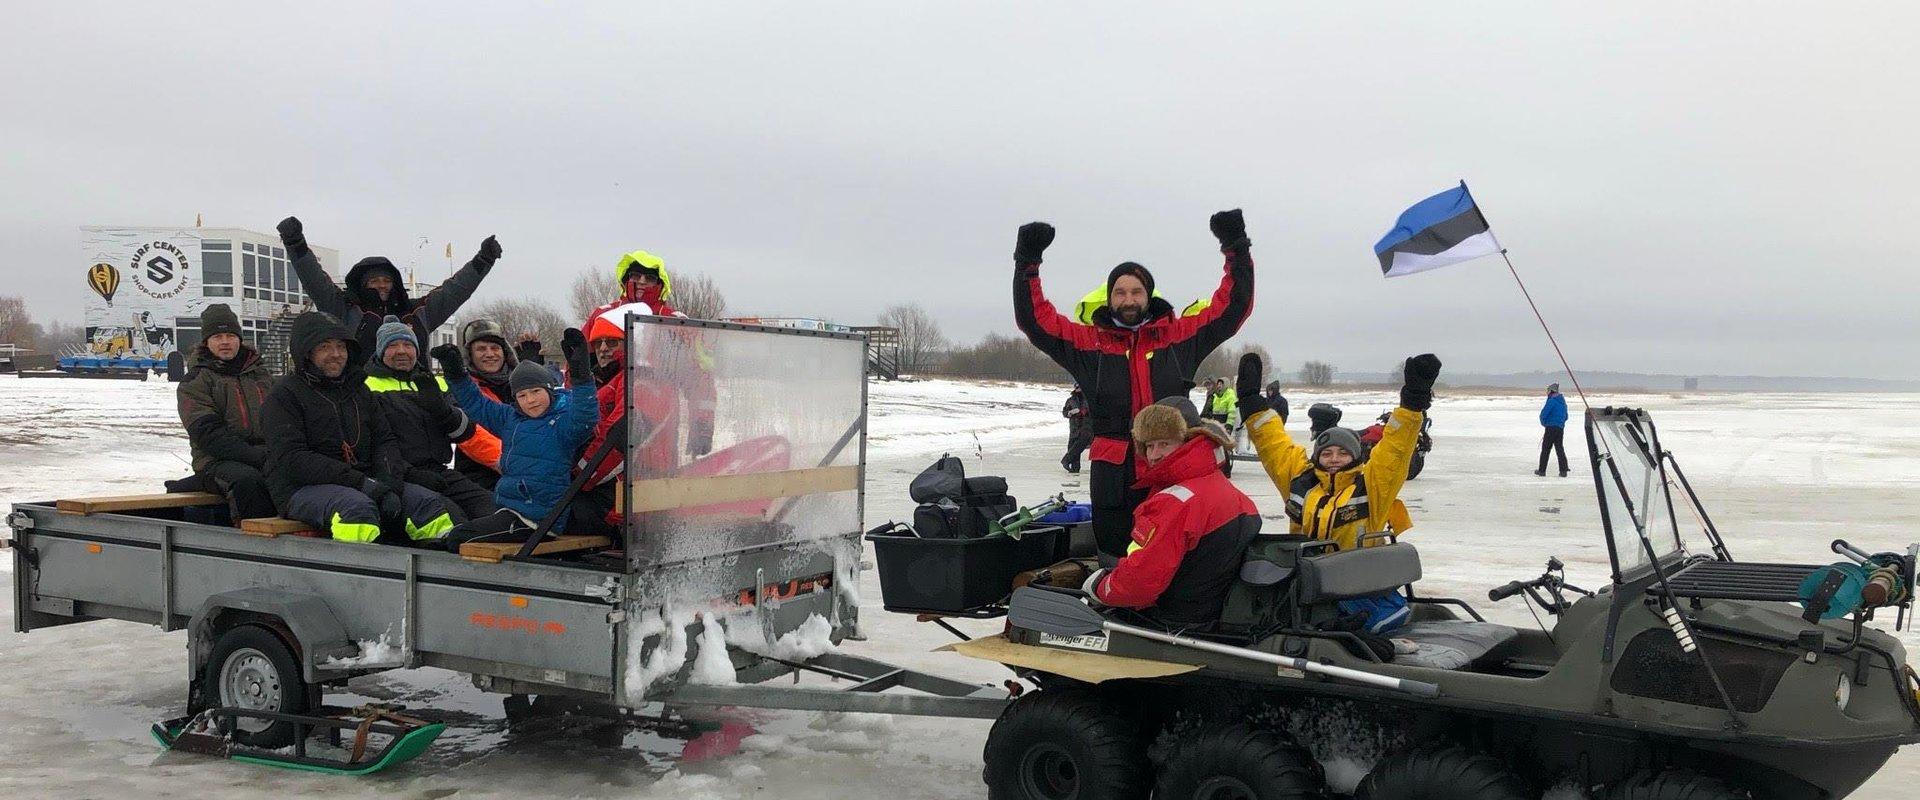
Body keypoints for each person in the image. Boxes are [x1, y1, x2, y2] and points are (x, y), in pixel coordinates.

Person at [1012, 210, 1255, 557]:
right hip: (1114, 477)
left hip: (1172, 466)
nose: (1128, 300)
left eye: (1136, 292)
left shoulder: (1177, 338)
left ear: (1148, 295)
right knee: (1115, 557)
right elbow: (1035, 321)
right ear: (1110, 298)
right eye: (1120, 292)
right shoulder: (1088, 344)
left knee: (1173, 554)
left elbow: (1232, 309)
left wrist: (1236, 247)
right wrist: (1027, 263)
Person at [262, 312, 459, 544]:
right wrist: (364, 485)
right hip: (302, 488)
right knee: (357, 511)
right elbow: (292, 459)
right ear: (306, 352)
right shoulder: (285, 395)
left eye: (341, 347)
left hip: (366, 481)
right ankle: (359, 576)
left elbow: (384, 441)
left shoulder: (358, 390)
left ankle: (433, 572)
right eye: (325, 347)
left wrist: (389, 485)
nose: (335, 354)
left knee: (426, 504)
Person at [1078, 399, 1259, 627]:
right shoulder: (1222, 487)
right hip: (1214, 613)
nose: (1154, 455)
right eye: (1149, 445)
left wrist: (1100, 586)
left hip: (1175, 622)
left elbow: (1138, 586)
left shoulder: (1175, 502)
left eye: (1164, 443)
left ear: (1190, 439)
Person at [1237, 352, 1440, 552]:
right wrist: (1252, 405)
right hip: (1308, 577)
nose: (1334, 459)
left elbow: (1395, 451)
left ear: (1355, 457)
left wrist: (1412, 404)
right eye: (1326, 453)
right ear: (1317, 457)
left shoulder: (1371, 487)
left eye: (1343, 453)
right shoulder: (1301, 480)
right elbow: (1275, 448)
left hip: (1357, 580)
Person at [432, 328, 599, 546]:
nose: (530, 400)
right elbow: (477, 403)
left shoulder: (562, 423)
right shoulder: (511, 419)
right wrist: (455, 373)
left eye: (536, 392)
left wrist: (581, 375)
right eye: (522, 395)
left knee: (460, 538)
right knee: (460, 528)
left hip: (537, 520)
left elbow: (585, 415)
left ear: (550, 391)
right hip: (511, 509)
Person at [278, 216, 500, 356]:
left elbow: (456, 290)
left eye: (386, 281)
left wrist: (483, 260)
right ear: (362, 285)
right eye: (374, 282)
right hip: (365, 405)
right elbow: (315, 280)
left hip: (414, 403)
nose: (381, 286)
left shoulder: (416, 313)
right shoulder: (344, 310)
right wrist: (295, 243)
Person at [583, 250, 717, 456]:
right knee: (598, 472)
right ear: (625, 279)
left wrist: (702, 426)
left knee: (656, 474)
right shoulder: (603, 314)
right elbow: (577, 369)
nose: (642, 282)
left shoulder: (674, 322)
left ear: (661, 283)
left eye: (650, 277)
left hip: (660, 421)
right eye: (635, 276)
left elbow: (700, 377)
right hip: (602, 416)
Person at [571, 304, 692, 534]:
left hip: (629, 501)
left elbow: (618, 443)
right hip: (615, 492)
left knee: (558, 515)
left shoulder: (645, 382)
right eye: (598, 343)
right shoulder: (613, 380)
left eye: (612, 342)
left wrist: (578, 476)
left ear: (632, 343)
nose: (603, 349)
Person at [362, 317, 495, 521]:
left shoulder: (434, 383)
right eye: (393, 345)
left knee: (493, 508)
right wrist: (410, 473)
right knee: (452, 517)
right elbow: (372, 446)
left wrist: (442, 411)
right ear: (380, 351)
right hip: (396, 476)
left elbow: (464, 431)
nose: (401, 351)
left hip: (438, 471)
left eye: (407, 345)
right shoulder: (366, 387)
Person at [175, 303, 276, 521]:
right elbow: (208, 434)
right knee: (249, 482)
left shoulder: (261, 375)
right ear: (206, 342)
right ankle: (255, 544)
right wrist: (257, 457)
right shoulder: (195, 381)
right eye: (217, 336)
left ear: (239, 339)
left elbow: (282, 419)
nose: (225, 342)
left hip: (266, 455)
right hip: (216, 462)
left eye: (230, 335)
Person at [1536, 382, 1570, 477]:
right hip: (1560, 428)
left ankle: (1542, 471)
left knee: (1546, 449)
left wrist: (1545, 423)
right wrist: (1560, 423)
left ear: (1551, 391)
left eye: (1547, 391)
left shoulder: (1551, 401)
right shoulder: (1563, 402)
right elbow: (1566, 416)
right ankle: (1563, 471)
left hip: (1551, 428)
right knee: (1559, 448)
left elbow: (1543, 414)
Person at [1060, 386, 1091, 473]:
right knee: (1072, 446)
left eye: (1079, 387)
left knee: (1079, 445)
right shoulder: (1070, 400)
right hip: (1074, 426)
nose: (1078, 388)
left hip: (1086, 426)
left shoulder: (1088, 398)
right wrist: (1069, 413)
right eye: (1076, 387)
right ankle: (1074, 469)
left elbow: (1092, 410)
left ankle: (1066, 460)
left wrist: (1083, 412)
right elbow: (1065, 412)